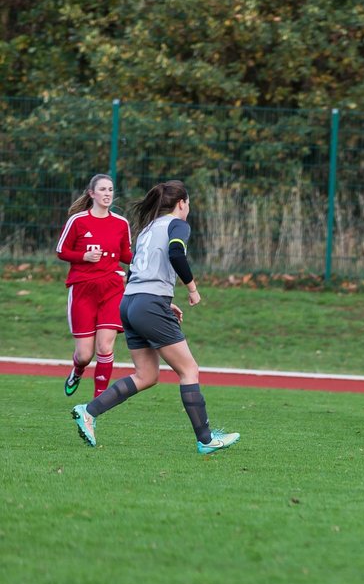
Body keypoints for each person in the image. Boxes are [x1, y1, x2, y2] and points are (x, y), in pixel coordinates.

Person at [71, 180, 240, 455]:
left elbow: (135, 269)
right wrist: (192, 290)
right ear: (182, 203)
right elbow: (176, 253)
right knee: (189, 370)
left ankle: (88, 411)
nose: (188, 209)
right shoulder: (178, 225)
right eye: (188, 204)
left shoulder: (147, 230)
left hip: (130, 302)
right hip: (147, 304)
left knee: (146, 375)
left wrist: (160, 302)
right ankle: (206, 439)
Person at [56, 173, 133, 398]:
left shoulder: (121, 223)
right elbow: (62, 251)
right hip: (83, 290)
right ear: (92, 194)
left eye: (110, 190)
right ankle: (78, 370)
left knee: (105, 348)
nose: (107, 194)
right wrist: (84, 256)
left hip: (112, 289)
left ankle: (97, 402)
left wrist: (146, 261)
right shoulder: (78, 221)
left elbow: (127, 255)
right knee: (84, 354)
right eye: (102, 190)